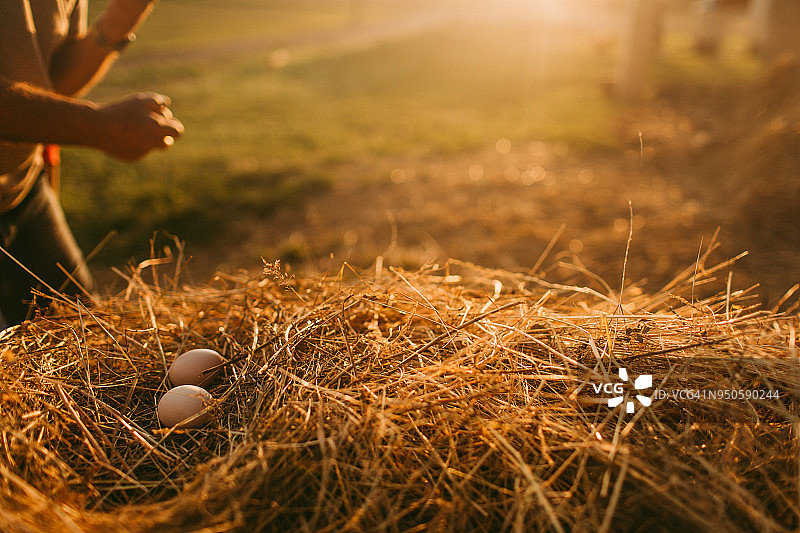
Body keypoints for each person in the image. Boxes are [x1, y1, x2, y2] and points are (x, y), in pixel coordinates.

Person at [0, 0, 184, 327]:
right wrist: (99, 127)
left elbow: (47, 81)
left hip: (22, 187)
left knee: (79, 339)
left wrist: (120, 19)